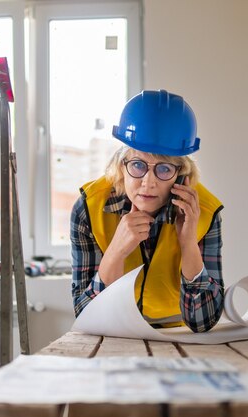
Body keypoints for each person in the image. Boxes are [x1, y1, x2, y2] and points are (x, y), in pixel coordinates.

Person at [70, 90, 224, 333]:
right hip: (117, 335)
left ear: (182, 174)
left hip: (180, 335)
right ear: (121, 165)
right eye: (138, 165)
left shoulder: (204, 212)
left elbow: (203, 321)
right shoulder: (89, 208)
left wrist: (188, 243)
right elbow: (87, 317)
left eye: (163, 169)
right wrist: (116, 252)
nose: (148, 183)